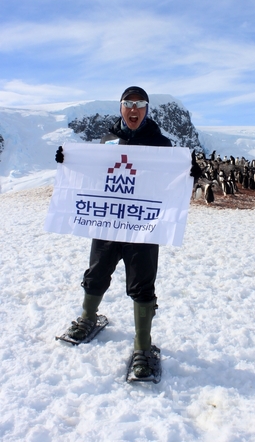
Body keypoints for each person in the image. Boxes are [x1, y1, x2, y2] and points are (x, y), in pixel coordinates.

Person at [55, 86, 202, 380]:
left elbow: (170, 181)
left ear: (147, 109)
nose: (133, 109)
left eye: (140, 104)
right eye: (128, 104)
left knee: (142, 283)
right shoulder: (107, 140)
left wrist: (189, 174)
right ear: (120, 107)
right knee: (96, 272)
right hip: (109, 222)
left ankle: (143, 345)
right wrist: (68, 162)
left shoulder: (161, 145)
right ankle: (87, 317)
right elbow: (95, 176)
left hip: (142, 227)